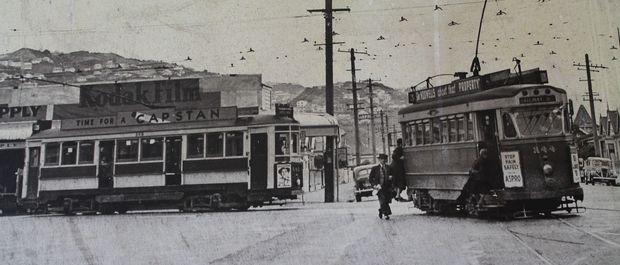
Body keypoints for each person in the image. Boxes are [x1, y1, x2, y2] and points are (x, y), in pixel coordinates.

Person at [369, 154, 393, 220]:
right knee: (383, 200)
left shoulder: (389, 168)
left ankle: (380, 210)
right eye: (381, 159)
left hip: (387, 187)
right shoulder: (375, 168)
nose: (383, 160)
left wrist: (391, 178)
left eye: (384, 159)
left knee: (387, 200)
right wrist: (374, 185)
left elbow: (392, 176)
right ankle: (386, 214)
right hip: (379, 188)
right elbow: (370, 178)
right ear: (379, 160)